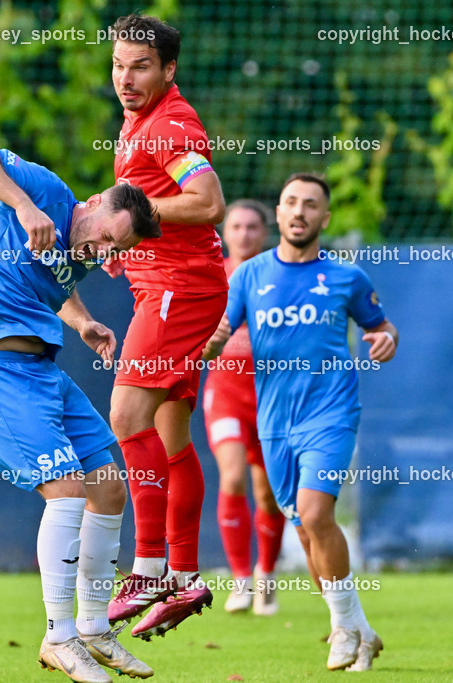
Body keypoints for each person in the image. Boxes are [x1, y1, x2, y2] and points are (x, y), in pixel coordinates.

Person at [0, 139, 161, 682]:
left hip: (41, 372)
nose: (104, 253)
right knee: (66, 488)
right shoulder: (47, 193)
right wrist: (21, 204)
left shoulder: (80, 256)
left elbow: (57, 284)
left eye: (116, 250)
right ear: (95, 202)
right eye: (107, 238)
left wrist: (82, 320)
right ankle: (58, 637)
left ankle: (94, 628)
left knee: (108, 486)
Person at [205, 173, 396, 671]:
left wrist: (386, 339)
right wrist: (203, 345)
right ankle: (359, 629)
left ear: (323, 218)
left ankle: (342, 629)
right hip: (274, 422)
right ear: (280, 212)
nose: (299, 211)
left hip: (330, 413)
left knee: (314, 514)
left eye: (310, 204)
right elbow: (219, 334)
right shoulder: (249, 276)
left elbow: (382, 327)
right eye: (291, 201)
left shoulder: (347, 277)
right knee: (308, 532)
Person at [103, 13, 229, 641]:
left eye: (141, 67)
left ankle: (148, 569)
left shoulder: (169, 124)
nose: (126, 79)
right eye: (118, 66)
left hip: (178, 291)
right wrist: (120, 238)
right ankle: (184, 575)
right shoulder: (138, 121)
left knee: (126, 418)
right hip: (170, 286)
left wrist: (128, 217)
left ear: (169, 69)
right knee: (170, 437)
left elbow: (208, 202)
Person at [200, 200, 287, 616]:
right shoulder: (213, 275)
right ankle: (240, 580)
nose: (244, 234)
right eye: (236, 226)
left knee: (268, 494)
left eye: (253, 227)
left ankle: (266, 575)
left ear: (265, 233)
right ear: (224, 233)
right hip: (226, 394)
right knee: (232, 477)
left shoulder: (281, 277)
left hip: (272, 397)